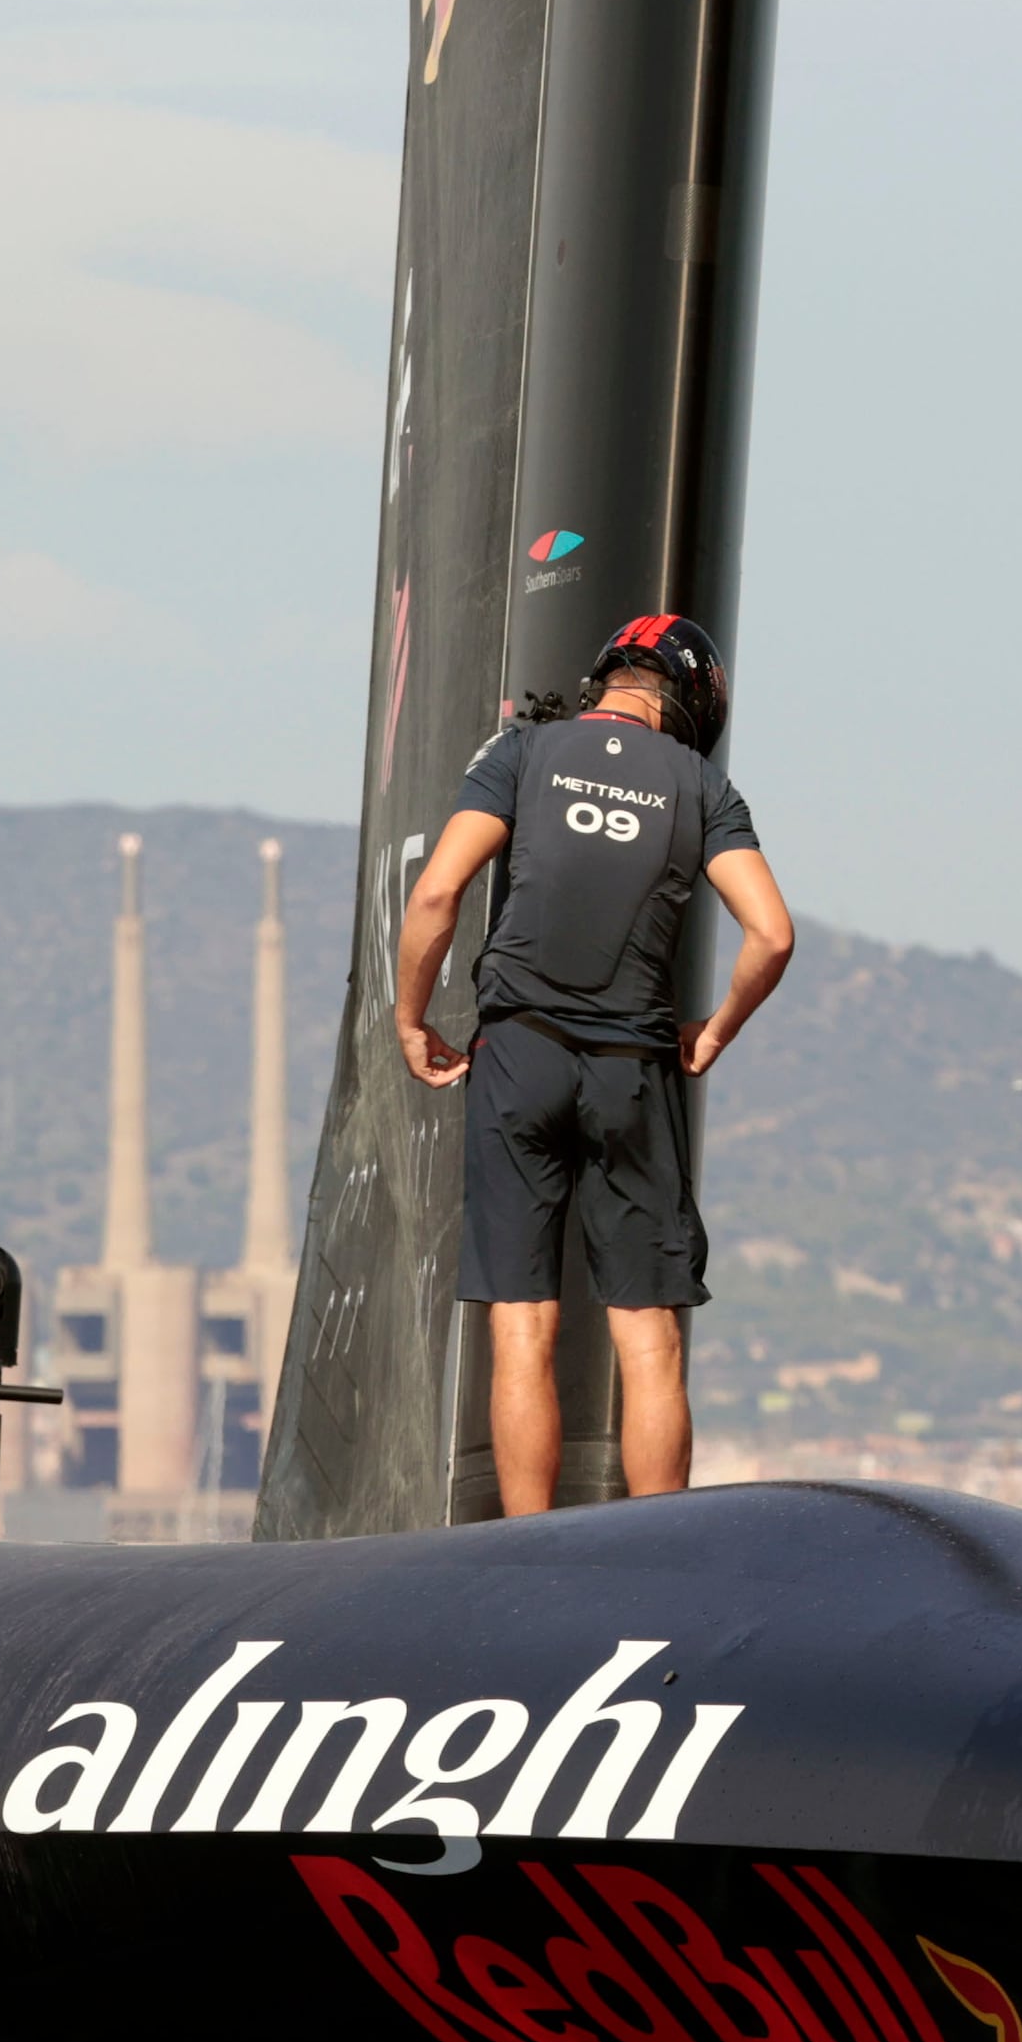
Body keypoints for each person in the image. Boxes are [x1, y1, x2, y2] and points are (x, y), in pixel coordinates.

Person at [391, 615, 795, 1512]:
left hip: (517, 1051)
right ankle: (655, 1553)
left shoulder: (522, 754)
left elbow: (436, 893)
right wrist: (718, 1029)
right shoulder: (703, 787)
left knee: (522, 1326)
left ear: (606, 678)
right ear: (690, 702)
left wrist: (411, 1017)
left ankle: (527, 1552)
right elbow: (771, 934)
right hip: (633, 1065)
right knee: (649, 1342)